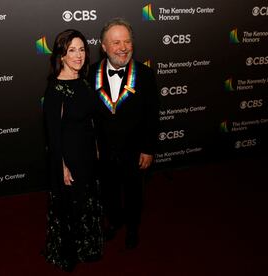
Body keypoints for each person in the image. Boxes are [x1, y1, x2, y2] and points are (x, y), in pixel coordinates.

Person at [88, 18, 159, 249]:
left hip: (134, 150)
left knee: (134, 193)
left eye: (127, 41)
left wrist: (148, 149)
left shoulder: (146, 75)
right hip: (103, 150)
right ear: (104, 46)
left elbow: (152, 116)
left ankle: (132, 228)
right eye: (116, 42)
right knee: (108, 191)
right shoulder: (90, 74)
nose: (123, 47)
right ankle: (115, 222)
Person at [43, 29, 103, 272]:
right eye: (71, 50)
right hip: (69, 156)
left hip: (87, 153)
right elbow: (52, 135)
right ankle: (68, 252)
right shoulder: (55, 90)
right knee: (71, 206)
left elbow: (91, 120)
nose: (78, 55)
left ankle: (86, 247)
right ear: (61, 55)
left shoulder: (84, 82)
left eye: (82, 49)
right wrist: (62, 166)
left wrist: (97, 148)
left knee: (87, 202)